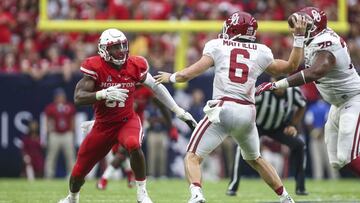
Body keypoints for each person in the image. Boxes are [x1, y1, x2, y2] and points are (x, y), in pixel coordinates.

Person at [155, 11, 308, 203]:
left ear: (234, 28)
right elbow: (291, 66)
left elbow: (189, 74)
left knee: (192, 156)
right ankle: (285, 197)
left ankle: (196, 195)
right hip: (247, 113)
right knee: (256, 159)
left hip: (223, 109)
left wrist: (171, 77)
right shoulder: (261, 51)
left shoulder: (217, 45)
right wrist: (299, 36)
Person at [58, 28, 197, 203]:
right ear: (104, 50)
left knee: (133, 144)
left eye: (123, 46)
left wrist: (179, 111)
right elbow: (78, 97)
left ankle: (142, 194)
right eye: (115, 47)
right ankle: (72, 198)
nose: (121, 50)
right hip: (103, 125)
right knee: (78, 172)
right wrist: (102, 94)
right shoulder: (95, 67)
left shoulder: (135, 65)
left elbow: (156, 88)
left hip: (127, 121)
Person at [256, 7, 360, 177]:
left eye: (305, 25)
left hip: (353, 99)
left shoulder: (326, 42)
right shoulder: (316, 38)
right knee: (336, 161)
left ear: (314, 27)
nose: (300, 28)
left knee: (347, 155)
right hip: (337, 104)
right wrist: (298, 33)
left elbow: (315, 72)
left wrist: (278, 85)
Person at [226, 76, 308, 196]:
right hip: (257, 125)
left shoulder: (293, 92)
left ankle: (300, 187)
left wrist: (292, 124)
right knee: (241, 147)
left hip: (279, 127)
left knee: (299, 145)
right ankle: (233, 186)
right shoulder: (262, 92)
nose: (278, 89)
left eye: (281, 86)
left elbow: (302, 105)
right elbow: (246, 105)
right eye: (275, 84)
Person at [95, 86, 178, 189]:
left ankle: (104, 179)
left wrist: (171, 127)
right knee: (116, 152)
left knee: (121, 152)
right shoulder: (123, 83)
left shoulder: (146, 89)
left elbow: (161, 106)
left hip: (135, 126)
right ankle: (130, 173)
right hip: (118, 122)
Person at [44, 88, 76, 178]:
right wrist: (49, 131)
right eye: (59, 96)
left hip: (66, 134)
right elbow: (47, 120)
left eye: (62, 96)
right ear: (55, 98)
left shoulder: (69, 107)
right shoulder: (51, 107)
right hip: (55, 134)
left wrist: (72, 131)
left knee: (70, 155)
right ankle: (49, 175)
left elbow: (72, 120)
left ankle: (72, 175)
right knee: (51, 156)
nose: (60, 98)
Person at [304, 99, 339, 179]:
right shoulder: (328, 107)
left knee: (317, 159)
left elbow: (308, 122)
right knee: (330, 158)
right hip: (326, 136)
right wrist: (321, 131)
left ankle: (318, 177)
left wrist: (314, 131)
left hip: (315, 135)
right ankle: (334, 177)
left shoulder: (312, 108)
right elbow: (329, 122)